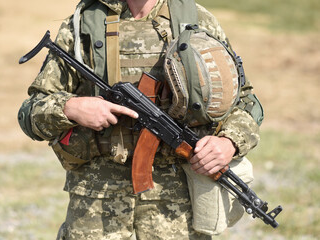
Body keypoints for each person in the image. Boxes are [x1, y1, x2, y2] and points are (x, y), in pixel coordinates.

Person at [18, 0, 263, 239]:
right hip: (96, 203)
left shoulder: (195, 20)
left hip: (177, 207)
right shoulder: (84, 24)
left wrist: (229, 142)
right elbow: (30, 113)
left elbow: (244, 100)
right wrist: (71, 107)